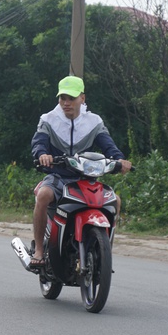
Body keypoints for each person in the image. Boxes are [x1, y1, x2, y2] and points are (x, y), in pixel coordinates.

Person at [30, 75, 132, 267]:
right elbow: (39, 142)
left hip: (86, 179)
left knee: (115, 201)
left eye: (71, 98)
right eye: (63, 98)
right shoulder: (48, 120)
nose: (66, 103)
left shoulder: (93, 121)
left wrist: (119, 160)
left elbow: (108, 145)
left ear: (82, 99)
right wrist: (42, 154)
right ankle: (39, 250)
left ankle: (105, 248)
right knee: (43, 195)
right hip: (59, 177)